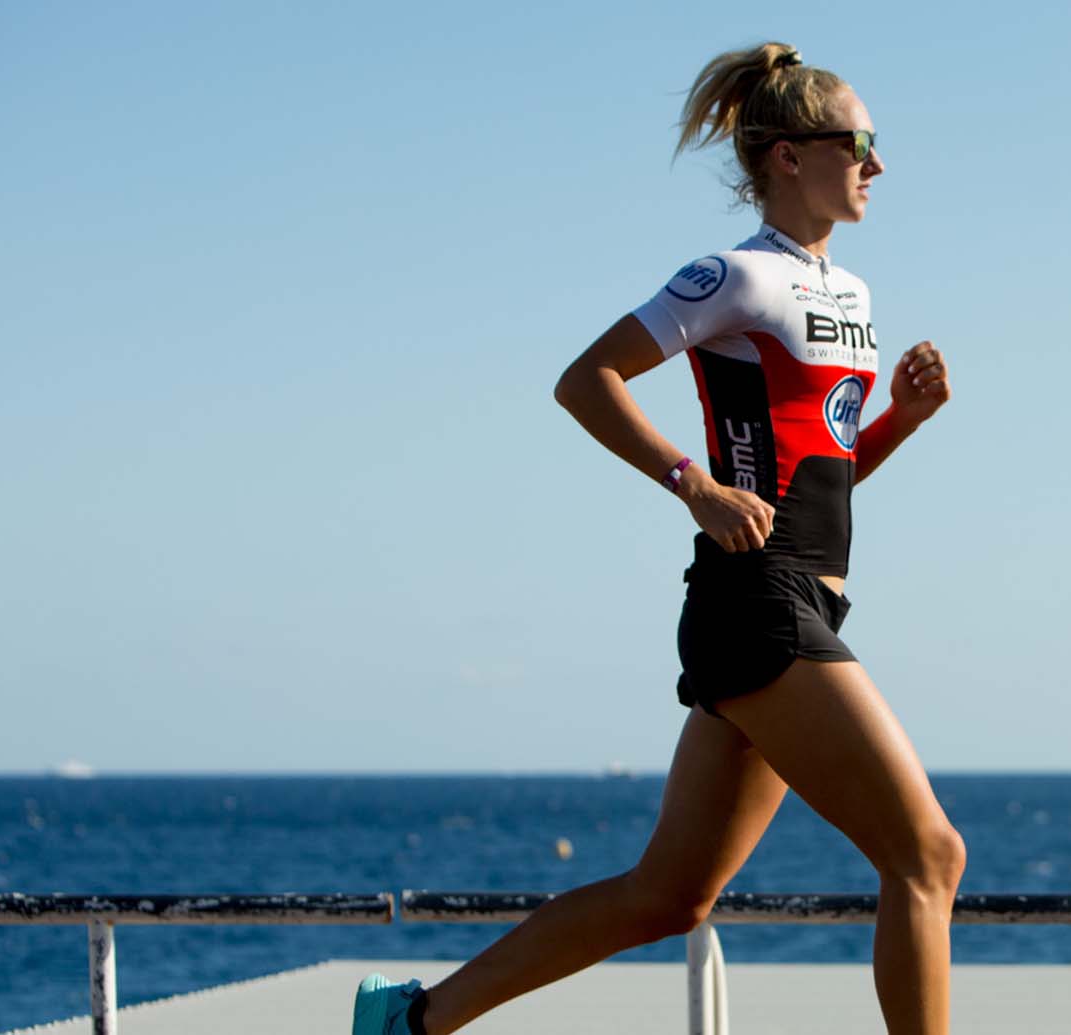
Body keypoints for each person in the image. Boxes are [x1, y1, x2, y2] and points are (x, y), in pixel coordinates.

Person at [354, 41, 962, 1035]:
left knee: (671, 895)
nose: (878, 164)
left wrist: (903, 418)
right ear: (788, 156)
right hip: (756, 602)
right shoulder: (734, 276)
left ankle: (411, 1022)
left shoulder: (852, 297)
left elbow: (824, 480)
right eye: (860, 144)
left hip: (803, 599)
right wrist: (694, 483)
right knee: (928, 854)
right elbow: (585, 378)